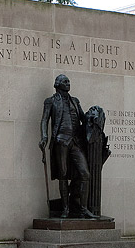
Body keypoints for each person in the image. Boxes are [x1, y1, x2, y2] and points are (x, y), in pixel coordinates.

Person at [39, 74, 97, 219]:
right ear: (57, 85)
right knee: (63, 175)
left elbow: (83, 118)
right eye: (65, 81)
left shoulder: (75, 101)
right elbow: (44, 120)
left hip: (76, 142)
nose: (68, 83)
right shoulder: (51, 101)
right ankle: (65, 209)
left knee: (85, 174)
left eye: (68, 81)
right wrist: (44, 137)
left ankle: (83, 209)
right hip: (61, 141)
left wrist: (92, 117)